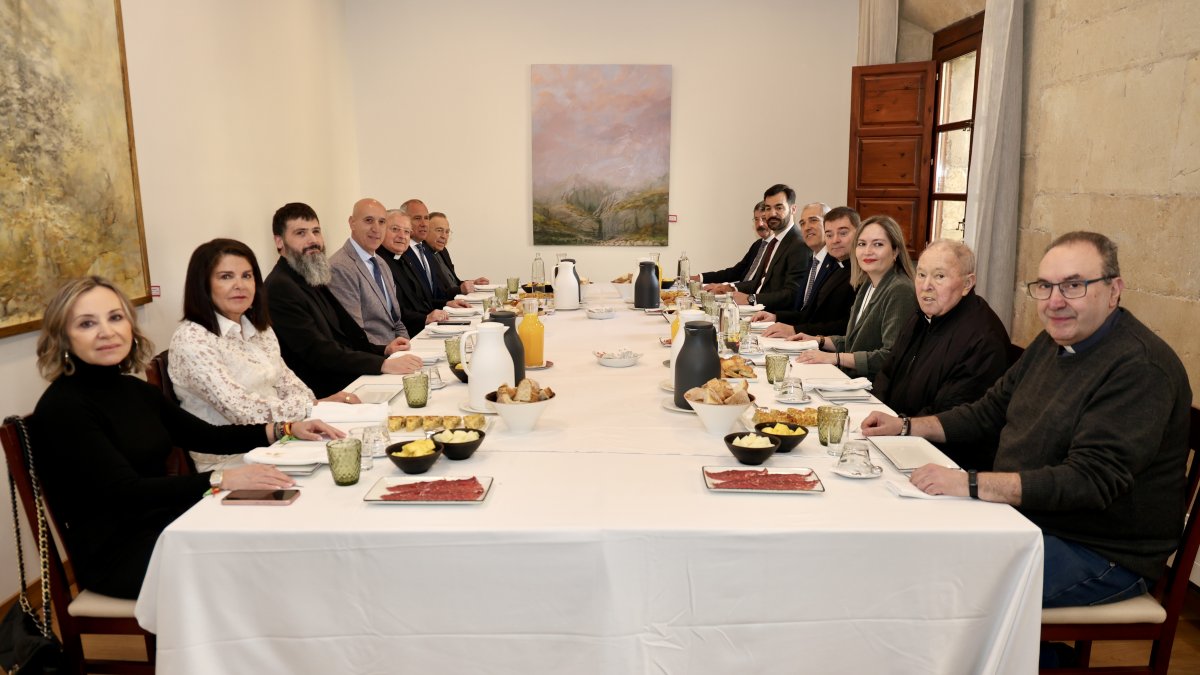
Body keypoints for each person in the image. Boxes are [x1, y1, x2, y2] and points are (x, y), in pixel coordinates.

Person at [861, 231, 1191, 613]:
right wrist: (905, 426)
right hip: (1024, 517)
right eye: (1045, 286)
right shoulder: (1052, 343)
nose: (1055, 301)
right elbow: (988, 411)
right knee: (902, 538)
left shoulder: (1139, 368)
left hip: (1099, 550)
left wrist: (969, 483)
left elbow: (1087, 481)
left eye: (1074, 286)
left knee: (936, 583)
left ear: (1114, 290)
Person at [32, 276, 340, 599]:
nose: (106, 331)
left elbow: (207, 436)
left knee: (284, 529)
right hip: (121, 554)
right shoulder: (63, 408)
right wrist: (222, 478)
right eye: (87, 323)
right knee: (262, 566)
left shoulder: (134, 390)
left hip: (170, 522)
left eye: (115, 317)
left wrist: (285, 429)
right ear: (62, 337)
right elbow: (126, 492)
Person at [168, 238, 357, 471]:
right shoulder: (192, 340)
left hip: (282, 437)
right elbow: (242, 411)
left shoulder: (258, 327)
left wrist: (313, 405)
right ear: (202, 285)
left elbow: (287, 381)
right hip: (232, 459)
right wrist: (309, 408)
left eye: (247, 276)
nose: (240, 285)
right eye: (226, 277)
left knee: (356, 449)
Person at [871, 239, 1010, 470]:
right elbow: (887, 372)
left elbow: (949, 415)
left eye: (939, 276)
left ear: (967, 284)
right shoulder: (922, 317)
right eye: (921, 274)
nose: (926, 286)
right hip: (897, 438)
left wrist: (898, 427)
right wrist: (875, 415)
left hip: (944, 461)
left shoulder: (983, 339)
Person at [265, 202, 422, 399]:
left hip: (346, 378)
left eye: (316, 231)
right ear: (279, 241)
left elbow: (349, 333)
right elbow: (319, 352)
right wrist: (382, 364)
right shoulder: (280, 287)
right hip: (323, 394)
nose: (313, 240)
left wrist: (384, 350)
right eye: (301, 233)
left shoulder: (311, 275)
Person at [790, 214, 917, 379]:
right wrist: (817, 340)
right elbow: (854, 342)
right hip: (852, 380)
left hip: (874, 387)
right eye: (862, 244)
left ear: (895, 251)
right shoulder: (867, 284)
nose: (868, 251)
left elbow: (890, 356)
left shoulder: (900, 289)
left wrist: (835, 358)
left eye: (878, 244)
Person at [756, 206, 858, 338]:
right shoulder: (833, 264)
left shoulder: (855, 270)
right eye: (829, 235)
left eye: (843, 233)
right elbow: (810, 312)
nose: (835, 240)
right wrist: (777, 317)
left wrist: (795, 330)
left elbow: (848, 325)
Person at [712, 184, 811, 312]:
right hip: (757, 311)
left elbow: (792, 295)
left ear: (793, 209)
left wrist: (750, 299)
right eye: (768, 208)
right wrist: (731, 288)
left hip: (773, 316)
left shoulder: (799, 244)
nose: (772, 213)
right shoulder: (773, 242)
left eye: (779, 207)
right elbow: (759, 283)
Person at [328, 198, 411, 345]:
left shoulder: (381, 263)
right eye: (368, 220)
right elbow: (354, 332)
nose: (376, 229)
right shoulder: (340, 267)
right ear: (352, 223)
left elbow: (396, 321)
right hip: (373, 354)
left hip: (395, 352)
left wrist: (407, 345)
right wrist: (388, 352)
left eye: (382, 222)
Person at [379, 210, 471, 336]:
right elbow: (393, 312)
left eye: (406, 231)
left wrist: (445, 304)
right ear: (381, 230)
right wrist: (425, 318)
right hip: (402, 334)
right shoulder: (380, 262)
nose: (402, 236)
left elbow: (419, 300)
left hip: (416, 327)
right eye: (395, 229)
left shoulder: (403, 259)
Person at [696, 202, 771, 286]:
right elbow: (736, 272)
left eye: (764, 219)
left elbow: (763, 284)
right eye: (756, 219)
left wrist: (731, 287)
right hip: (740, 290)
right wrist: (700, 278)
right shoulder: (757, 245)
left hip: (751, 293)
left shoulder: (776, 248)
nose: (760, 224)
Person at [426, 212, 489, 295]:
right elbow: (434, 294)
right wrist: (460, 290)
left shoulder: (443, 251)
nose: (444, 236)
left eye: (447, 232)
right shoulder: (422, 256)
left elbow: (454, 283)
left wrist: (473, 284)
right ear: (426, 231)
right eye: (439, 230)